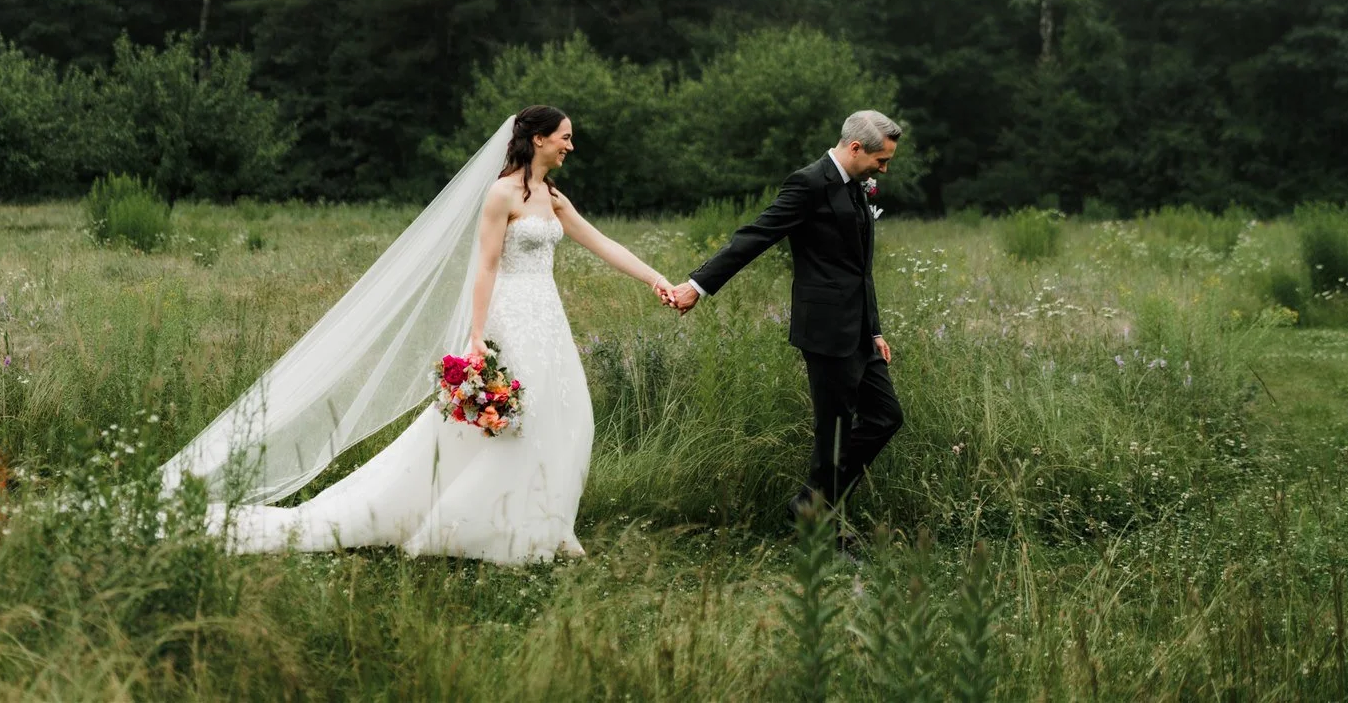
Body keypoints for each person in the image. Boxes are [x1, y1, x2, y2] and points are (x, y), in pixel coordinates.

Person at [159, 105, 673, 564]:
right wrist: (477, 336)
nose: (570, 146)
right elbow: (485, 266)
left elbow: (602, 242)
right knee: (517, 422)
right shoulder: (501, 194)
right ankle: (490, 526)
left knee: (566, 413)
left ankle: (549, 522)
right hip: (510, 318)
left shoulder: (553, 197)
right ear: (539, 139)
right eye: (565, 137)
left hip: (548, 320)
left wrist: (657, 280)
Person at [669, 110, 906, 541]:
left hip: (859, 331)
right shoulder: (809, 183)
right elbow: (756, 236)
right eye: (881, 161)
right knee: (833, 434)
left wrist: (874, 330)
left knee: (885, 417)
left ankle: (809, 504)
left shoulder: (857, 185)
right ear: (855, 148)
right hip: (826, 330)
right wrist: (697, 285)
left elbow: (861, 269)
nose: (884, 170)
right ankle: (820, 525)